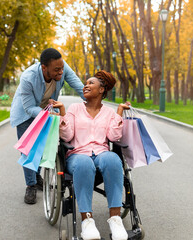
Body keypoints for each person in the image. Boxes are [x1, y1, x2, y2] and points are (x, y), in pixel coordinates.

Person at [51, 70, 130, 240]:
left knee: (113, 160)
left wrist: (119, 113)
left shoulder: (109, 112)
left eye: (90, 83)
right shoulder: (75, 108)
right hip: (77, 154)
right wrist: (63, 113)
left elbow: (114, 137)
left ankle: (115, 220)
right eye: (85, 83)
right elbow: (67, 136)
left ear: (101, 90)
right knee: (84, 163)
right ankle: (87, 221)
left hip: (101, 153)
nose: (85, 85)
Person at [10, 48, 85, 205]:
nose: (60, 72)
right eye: (56, 70)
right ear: (44, 67)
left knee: (44, 146)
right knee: (29, 149)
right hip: (26, 114)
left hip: (48, 111)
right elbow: (29, 107)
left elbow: (78, 85)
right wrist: (49, 115)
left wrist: (92, 99)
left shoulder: (62, 67)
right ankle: (30, 185)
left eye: (62, 68)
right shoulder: (28, 78)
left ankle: (36, 176)